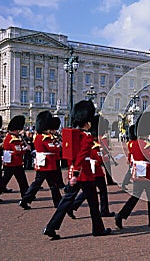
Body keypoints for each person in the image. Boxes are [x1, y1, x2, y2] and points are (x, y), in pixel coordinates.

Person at [43, 100, 111, 239]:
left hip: (75, 170)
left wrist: (72, 171)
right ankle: (98, 229)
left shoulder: (73, 135)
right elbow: (81, 155)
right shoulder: (86, 136)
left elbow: (70, 155)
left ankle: (51, 227)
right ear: (88, 122)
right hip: (84, 173)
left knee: (67, 201)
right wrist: (76, 173)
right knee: (93, 203)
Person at [115, 112, 150, 229]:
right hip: (146, 174)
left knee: (135, 197)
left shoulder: (134, 143)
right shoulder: (147, 145)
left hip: (137, 172)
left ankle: (121, 215)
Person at [68, 115, 115, 218]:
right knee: (100, 190)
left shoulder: (94, 140)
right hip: (95, 169)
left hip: (92, 169)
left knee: (89, 191)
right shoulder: (92, 141)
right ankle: (104, 210)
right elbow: (97, 157)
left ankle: (73, 206)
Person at [19, 111, 62, 209]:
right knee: (51, 184)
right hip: (47, 164)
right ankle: (57, 202)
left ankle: (25, 200)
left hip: (43, 164)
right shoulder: (45, 138)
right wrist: (59, 146)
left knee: (43, 184)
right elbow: (53, 149)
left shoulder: (39, 137)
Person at [0, 115, 30, 203]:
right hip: (14, 162)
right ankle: (26, 195)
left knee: (8, 180)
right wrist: (26, 149)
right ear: (16, 129)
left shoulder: (10, 137)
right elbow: (18, 151)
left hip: (12, 161)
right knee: (21, 180)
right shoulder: (13, 138)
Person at [121, 125, 136, 190]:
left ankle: (125, 182)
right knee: (130, 171)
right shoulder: (132, 143)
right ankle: (124, 184)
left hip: (132, 158)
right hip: (134, 158)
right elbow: (131, 152)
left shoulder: (130, 142)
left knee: (130, 171)